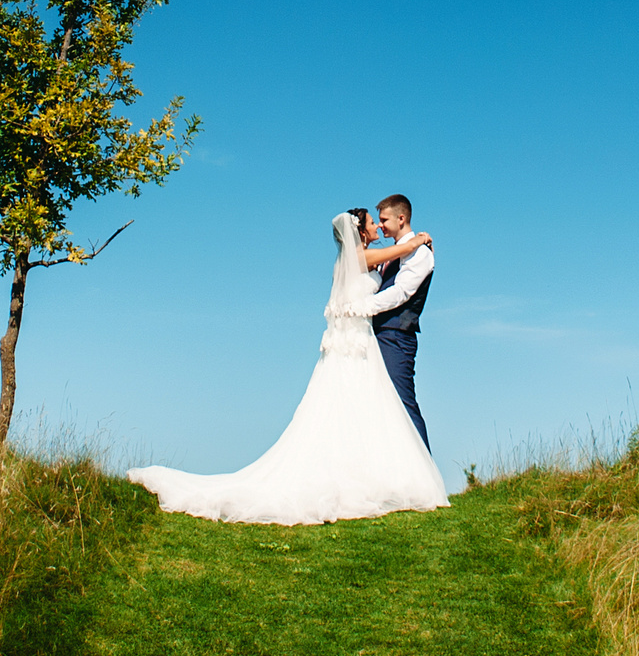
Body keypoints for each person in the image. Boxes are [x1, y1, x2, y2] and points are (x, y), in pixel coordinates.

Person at [124, 206, 449, 524]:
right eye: (372, 223)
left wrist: (409, 246)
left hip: (361, 343)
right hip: (354, 343)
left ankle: (380, 474)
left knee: (364, 409)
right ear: (361, 231)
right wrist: (415, 241)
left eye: (382, 221)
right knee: (357, 406)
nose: (378, 227)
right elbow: (395, 256)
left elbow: (392, 265)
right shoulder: (356, 258)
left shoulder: (367, 261)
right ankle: (383, 479)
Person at [366, 193, 434, 449]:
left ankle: (426, 475)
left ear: (401, 218)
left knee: (403, 402)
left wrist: (363, 308)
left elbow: (401, 292)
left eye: (384, 220)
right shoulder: (391, 253)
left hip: (397, 336)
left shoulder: (420, 253)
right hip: (378, 335)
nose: (380, 225)